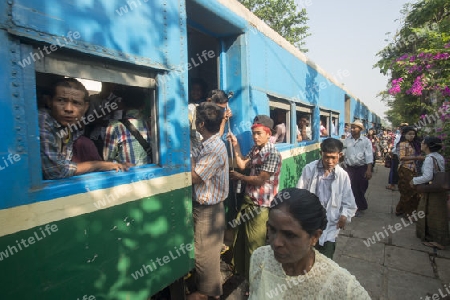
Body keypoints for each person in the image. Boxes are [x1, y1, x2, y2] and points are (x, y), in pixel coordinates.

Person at [248, 188, 370, 299]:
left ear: (315, 237)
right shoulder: (260, 258)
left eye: (290, 235)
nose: (276, 242)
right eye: (272, 230)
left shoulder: (341, 286)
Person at [39, 78, 132, 179]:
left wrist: (113, 165)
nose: (68, 109)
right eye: (61, 100)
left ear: (85, 107)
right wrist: (100, 165)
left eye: (76, 103)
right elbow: (56, 171)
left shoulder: (72, 125)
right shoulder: (42, 120)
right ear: (49, 102)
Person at [227, 115, 282, 283]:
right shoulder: (256, 150)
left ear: (268, 133)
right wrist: (235, 146)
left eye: (259, 133)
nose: (255, 137)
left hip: (260, 206)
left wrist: (239, 177)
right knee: (242, 239)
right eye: (253, 134)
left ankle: (257, 281)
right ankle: (245, 275)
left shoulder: (272, 153)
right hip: (249, 200)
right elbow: (243, 164)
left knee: (255, 245)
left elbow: (260, 179)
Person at [188, 102, 229, 300]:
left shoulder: (214, 148)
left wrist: (187, 154)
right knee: (204, 255)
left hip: (209, 212)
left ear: (201, 124)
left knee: (205, 259)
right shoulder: (207, 143)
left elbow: (195, 177)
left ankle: (209, 293)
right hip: (203, 208)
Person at [296, 138, 357, 259]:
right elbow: (300, 193)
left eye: (333, 157)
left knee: (326, 260)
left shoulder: (343, 176)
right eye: (326, 157)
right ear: (321, 154)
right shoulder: (309, 169)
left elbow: (348, 201)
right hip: (311, 221)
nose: (329, 161)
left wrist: (344, 215)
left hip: (331, 224)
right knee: (306, 258)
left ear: (340, 155)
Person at [411, 137, 450, 247]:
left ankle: (439, 241)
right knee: (437, 214)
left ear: (427, 146)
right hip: (439, 189)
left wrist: (414, 180)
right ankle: (435, 237)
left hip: (433, 190)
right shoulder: (439, 156)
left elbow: (428, 176)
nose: (421, 144)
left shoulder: (429, 158)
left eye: (423, 143)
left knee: (434, 214)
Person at [103, 88, 152, 166]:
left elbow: (108, 159)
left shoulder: (115, 126)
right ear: (143, 105)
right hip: (150, 172)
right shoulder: (151, 124)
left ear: (123, 105)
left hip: (128, 174)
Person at [343, 120, 373, 216]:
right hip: (350, 168)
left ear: (360, 129)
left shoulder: (366, 141)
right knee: (350, 187)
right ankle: (355, 207)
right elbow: (343, 154)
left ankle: (360, 205)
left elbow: (369, 156)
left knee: (362, 186)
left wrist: (369, 170)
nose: (352, 129)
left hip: (362, 168)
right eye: (351, 127)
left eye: (355, 127)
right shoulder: (347, 141)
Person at [395, 126, 423, 217]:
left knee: (410, 190)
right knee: (408, 191)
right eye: (409, 134)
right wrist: (416, 158)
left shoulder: (414, 144)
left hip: (414, 169)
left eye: (413, 134)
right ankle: (408, 213)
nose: (412, 136)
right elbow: (402, 157)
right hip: (405, 169)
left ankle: (400, 209)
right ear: (404, 134)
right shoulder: (402, 144)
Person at [387, 123, 408, 191]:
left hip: (397, 156)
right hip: (404, 156)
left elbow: (396, 147)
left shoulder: (399, 137)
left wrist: (391, 153)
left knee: (394, 170)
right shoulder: (404, 137)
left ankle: (393, 185)